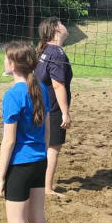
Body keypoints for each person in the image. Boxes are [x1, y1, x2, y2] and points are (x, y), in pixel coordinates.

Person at [0, 41, 58, 223]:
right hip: (39, 163)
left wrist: (0, 177)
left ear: (12, 65)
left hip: (20, 168)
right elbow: (47, 132)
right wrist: (40, 155)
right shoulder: (41, 89)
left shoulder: (13, 95)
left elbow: (8, 141)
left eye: (5, 59)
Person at [35, 17, 73, 197]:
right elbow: (58, 86)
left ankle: (38, 181)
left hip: (41, 104)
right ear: (57, 29)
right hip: (53, 107)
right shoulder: (57, 53)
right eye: (62, 23)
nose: (65, 26)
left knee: (44, 145)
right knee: (53, 147)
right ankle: (47, 188)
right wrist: (65, 112)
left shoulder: (46, 50)